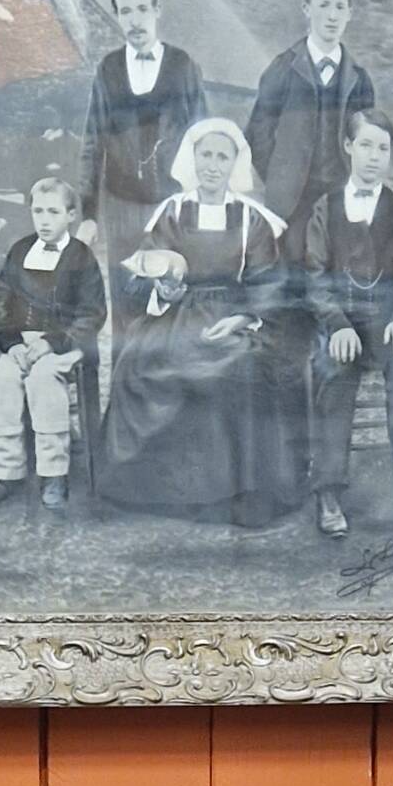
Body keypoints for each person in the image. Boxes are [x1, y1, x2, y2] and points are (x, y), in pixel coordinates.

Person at [96, 118, 306, 528]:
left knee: (242, 369)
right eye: (205, 155)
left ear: (234, 164)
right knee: (140, 363)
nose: (212, 165)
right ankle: (166, 493)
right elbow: (145, 271)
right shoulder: (172, 212)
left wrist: (244, 318)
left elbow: (270, 283)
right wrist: (165, 287)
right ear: (193, 160)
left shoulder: (252, 220)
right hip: (179, 313)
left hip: (234, 315)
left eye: (221, 157)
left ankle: (237, 494)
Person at [301, 106, 393, 536]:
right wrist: (335, 323)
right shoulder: (325, 210)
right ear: (347, 148)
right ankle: (328, 490)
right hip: (341, 324)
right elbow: (315, 278)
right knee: (331, 371)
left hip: (386, 324)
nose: (374, 156)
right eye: (366, 146)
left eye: (383, 148)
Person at [0, 170, 105, 512]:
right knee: (3, 378)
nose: (44, 221)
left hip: (65, 345)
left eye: (53, 212)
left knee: (43, 379)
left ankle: (53, 473)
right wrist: (13, 343)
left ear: (71, 216)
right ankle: (6, 470)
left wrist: (52, 342)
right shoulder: (20, 251)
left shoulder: (81, 258)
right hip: (22, 342)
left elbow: (92, 313)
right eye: (38, 212)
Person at [81, 0, 207, 256]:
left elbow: (203, 138)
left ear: (156, 11)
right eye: (125, 12)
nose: (135, 21)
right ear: (117, 16)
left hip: (172, 205)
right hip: (121, 208)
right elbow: (93, 144)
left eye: (142, 9)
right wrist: (89, 214)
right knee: (125, 293)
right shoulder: (108, 69)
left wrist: (200, 204)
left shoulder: (182, 66)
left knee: (171, 293)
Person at [245, 0, 376, 244]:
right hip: (291, 204)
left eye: (340, 8)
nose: (332, 16)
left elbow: (367, 141)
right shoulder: (282, 69)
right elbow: (258, 132)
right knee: (293, 278)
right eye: (323, 5)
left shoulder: (359, 79)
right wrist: (279, 177)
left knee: (338, 275)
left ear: (350, 14)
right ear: (307, 9)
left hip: (341, 197)